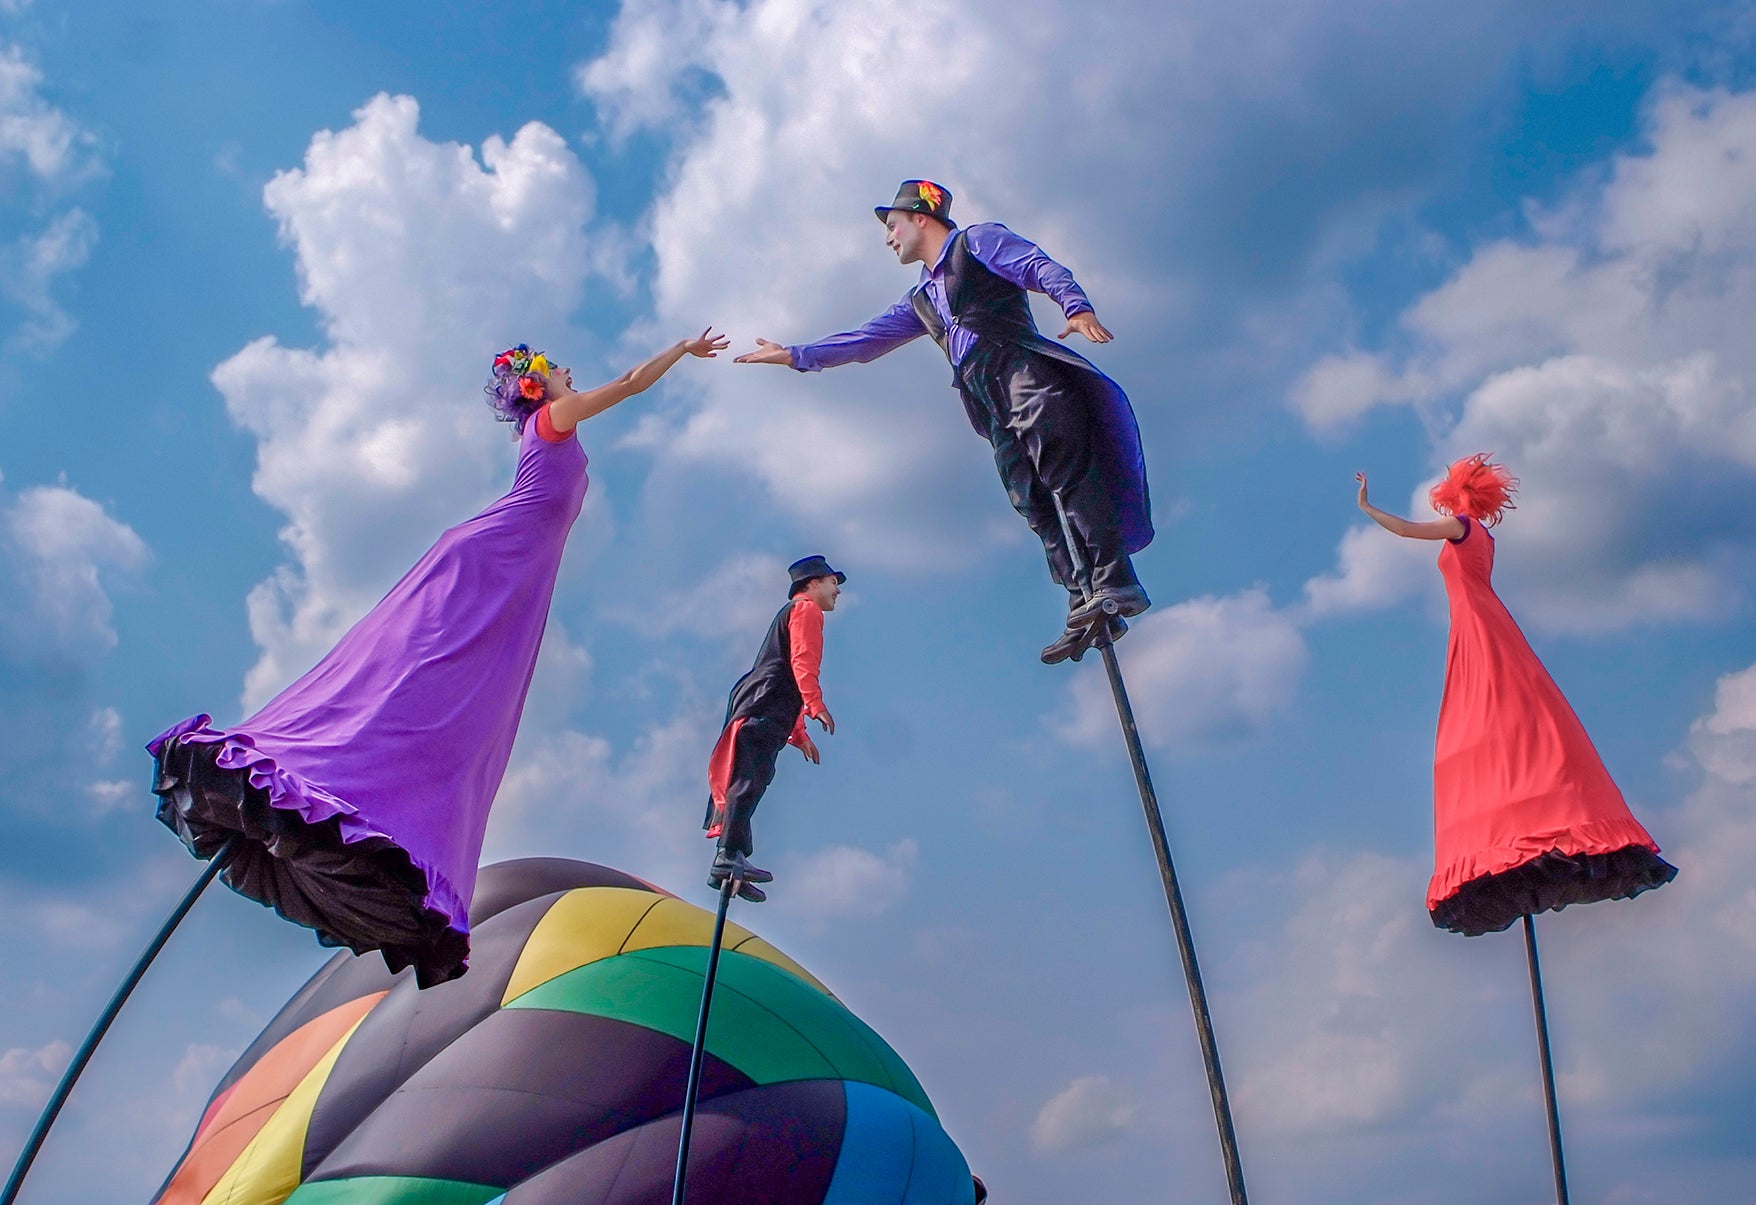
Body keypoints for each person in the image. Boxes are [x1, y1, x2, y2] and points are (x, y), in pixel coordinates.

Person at [148, 329, 730, 986]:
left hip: (512, 574)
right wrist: (680, 350)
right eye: (558, 366)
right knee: (430, 670)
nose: (571, 369)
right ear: (538, 387)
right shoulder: (552, 417)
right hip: (490, 559)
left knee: (472, 699)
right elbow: (626, 383)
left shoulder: (550, 426)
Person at [735, 180, 1152, 665]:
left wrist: (1075, 306)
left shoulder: (977, 242)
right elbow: (868, 340)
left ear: (920, 217)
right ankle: (1084, 597)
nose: (888, 238)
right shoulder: (921, 298)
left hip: (1022, 371)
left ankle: (1115, 584)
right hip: (986, 396)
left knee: (1066, 475)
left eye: (892, 226)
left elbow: (1037, 265)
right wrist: (795, 355)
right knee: (1030, 500)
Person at [1355, 455, 1676, 935]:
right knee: (1495, 707)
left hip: (1479, 624)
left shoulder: (1461, 527)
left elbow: (1404, 531)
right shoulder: (1484, 535)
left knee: (1487, 704)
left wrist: (1366, 506)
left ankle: (1523, 810)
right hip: (1480, 619)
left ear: (1460, 494)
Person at [703, 555, 842, 901]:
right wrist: (816, 705)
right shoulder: (805, 610)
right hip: (761, 706)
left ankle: (732, 861)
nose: (837, 590)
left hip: (768, 706)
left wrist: (799, 734)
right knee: (748, 779)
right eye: (832, 582)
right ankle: (727, 857)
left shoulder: (800, 612)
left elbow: (789, 681)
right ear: (812, 584)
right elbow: (801, 662)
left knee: (755, 779)